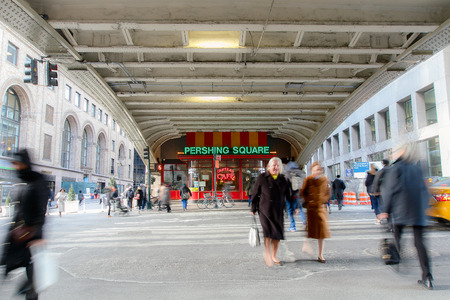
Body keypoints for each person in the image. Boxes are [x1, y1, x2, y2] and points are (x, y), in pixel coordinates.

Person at [380, 143, 433, 289]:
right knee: (419, 243)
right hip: (417, 210)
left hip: (401, 209)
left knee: (397, 235)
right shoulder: (417, 168)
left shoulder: (395, 168)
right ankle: (427, 276)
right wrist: (424, 208)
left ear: (401, 152)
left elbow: (390, 191)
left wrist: (386, 211)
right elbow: (424, 189)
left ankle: (396, 259)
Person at [1, 149, 48, 300]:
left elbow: (41, 210)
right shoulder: (22, 180)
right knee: (20, 263)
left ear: (25, 163)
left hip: (31, 232)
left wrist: (38, 234)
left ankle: (31, 293)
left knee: (31, 266)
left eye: (18, 164)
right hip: (19, 233)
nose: (16, 167)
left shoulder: (37, 180)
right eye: (14, 164)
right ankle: (29, 290)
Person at [251, 157, 295, 267]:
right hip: (265, 209)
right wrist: (253, 208)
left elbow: (289, 196)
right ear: (269, 167)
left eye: (277, 165)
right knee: (268, 233)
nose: (275, 167)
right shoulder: (262, 177)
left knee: (277, 234)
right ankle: (268, 253)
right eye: (273, 165)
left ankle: (274, 255)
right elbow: (255, 193)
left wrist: (295, 207)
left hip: (278, 209)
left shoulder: (284, 179)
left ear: (280, 167)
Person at [301, 161, 331, 263]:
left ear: (321, 170)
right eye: (314, 170)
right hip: (311, 208)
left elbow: (327, 193)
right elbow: (303, 192)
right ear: (311, 171)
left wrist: (324, 200)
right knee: (310, 230)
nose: (316, 172)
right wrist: (308, 201)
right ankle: (306, 245)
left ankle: (320, 254)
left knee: (322, 233)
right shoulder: (308, 180)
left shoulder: (324, 179)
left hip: (321, 208)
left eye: (318, 170)